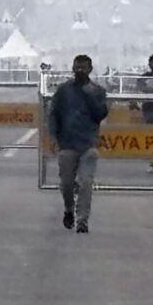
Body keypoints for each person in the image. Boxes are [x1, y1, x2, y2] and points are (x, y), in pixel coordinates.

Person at [49, 54, 108, 234]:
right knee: (66, 184)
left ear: (90, 69)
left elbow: (101, 114)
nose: (80, 71)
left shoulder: (97, 91)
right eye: (77, 67)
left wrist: (90, 97)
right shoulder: (63, 90)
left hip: (88, 144)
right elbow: (54, 114)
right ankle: (69, 209)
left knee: (85, 183)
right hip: (67, 144)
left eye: (83, 67)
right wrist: (53, 136)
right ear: (72, 68)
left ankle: (82, 220)